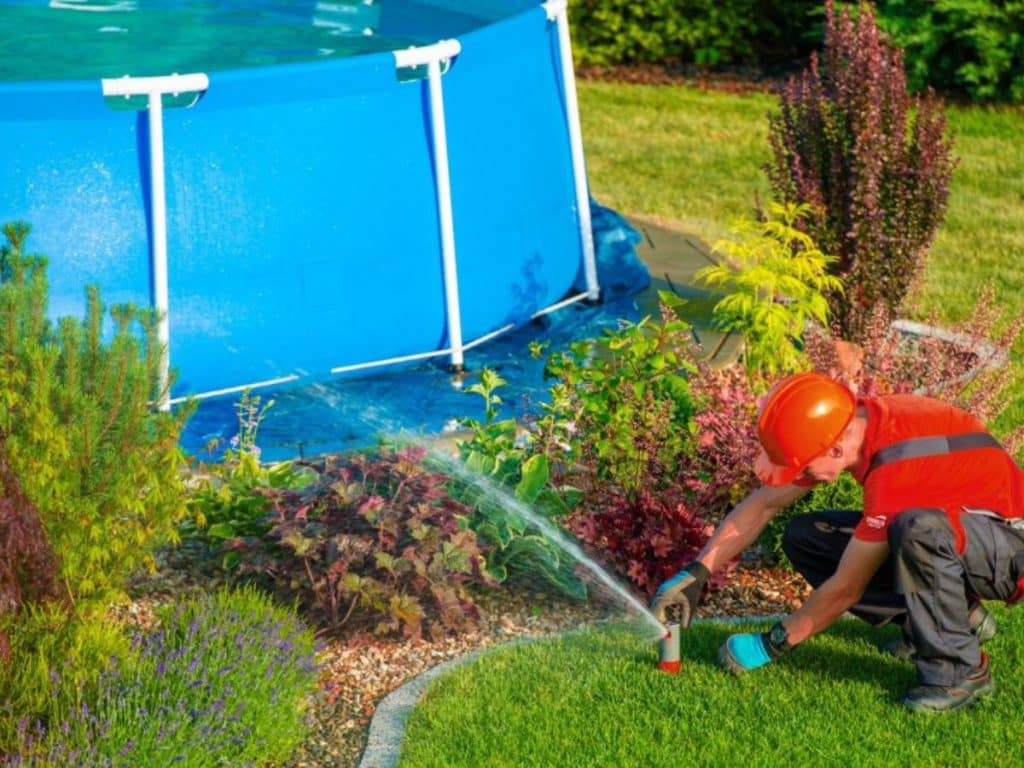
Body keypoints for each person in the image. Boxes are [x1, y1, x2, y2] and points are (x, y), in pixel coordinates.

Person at [650, 371, 1024, 713]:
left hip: (1010, 551)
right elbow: (764, 503)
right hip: (962, 534)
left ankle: (960, 673)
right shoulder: (851, 424)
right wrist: (698, 571)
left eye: (803, 467)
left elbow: (846, 588)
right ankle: (955, 619)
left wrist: (771, 643)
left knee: (916, 530)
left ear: (832, 450)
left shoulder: (896, 470)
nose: (801, 476)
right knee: (808, 538)